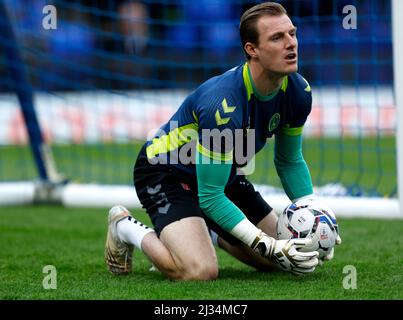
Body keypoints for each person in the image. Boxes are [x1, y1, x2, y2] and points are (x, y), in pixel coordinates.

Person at [105, 2, 339, 280]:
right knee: (199, 271)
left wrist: (315, 213)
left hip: (220, 176)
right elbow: (211, 196)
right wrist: (264, 242)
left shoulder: (298, 91)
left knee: (280, 260)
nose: (291, 44)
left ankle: (208, 232)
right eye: (277, 38)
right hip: (165, 171)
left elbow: (289, 161)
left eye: (292, 33)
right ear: (252, 50)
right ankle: (125, 227)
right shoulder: (224, 104)